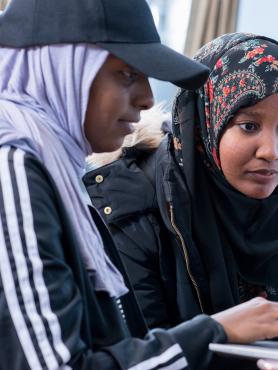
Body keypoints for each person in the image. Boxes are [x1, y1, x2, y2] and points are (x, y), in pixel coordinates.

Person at [0, 1, 278, 367]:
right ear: (64, 64)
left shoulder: (52, 167)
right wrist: (214, 332)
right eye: (128, 74)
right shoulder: (14, 167)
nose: (148, 99)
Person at [85, 32, 278, 331]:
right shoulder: (132, 213)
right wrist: (220, 334)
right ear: (204, 125)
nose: (271, 152)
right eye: (249, 126)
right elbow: (136, 353)